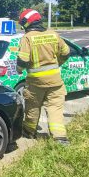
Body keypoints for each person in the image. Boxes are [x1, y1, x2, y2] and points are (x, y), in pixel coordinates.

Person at [16, 9, 70, 146]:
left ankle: (29, 132)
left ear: (27, 23)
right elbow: (66, 52)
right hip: (55, 80)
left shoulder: (27, 38)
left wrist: (19, 70)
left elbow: (22, 60)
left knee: (32, 107)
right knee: (55, 108)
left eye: (23, 24)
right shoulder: (53, 34)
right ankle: (60, 138)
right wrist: (58, 63)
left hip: (36, 82)